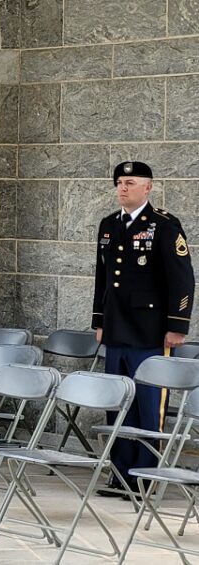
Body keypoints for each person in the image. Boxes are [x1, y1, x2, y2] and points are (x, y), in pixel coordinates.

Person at [92, 161, 194, 498]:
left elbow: (182, 278)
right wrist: (99, 320)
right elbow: (102, 278)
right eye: (119, 182)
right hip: (117, 330)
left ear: (147, 188)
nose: (123, 188)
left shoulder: (163, 226)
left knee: (149, 406)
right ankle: (120, 474)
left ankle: (145, 476)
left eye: (130, 182)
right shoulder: (109, 225)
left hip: (151, 332)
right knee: (118, 402)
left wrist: (177, 326)